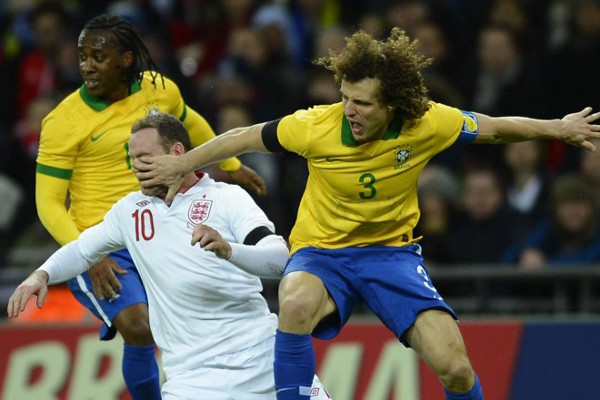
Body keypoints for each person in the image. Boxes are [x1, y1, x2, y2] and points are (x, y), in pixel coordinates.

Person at [132, 28, 600, 400]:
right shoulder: (316, 125)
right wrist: (182, 162)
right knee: (293, 305)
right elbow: (243, 137)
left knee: (456, 369)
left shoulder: (426, 122)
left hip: (391, 256)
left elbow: (495, 129)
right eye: (345, 97)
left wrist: (558, 128)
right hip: (322, 253)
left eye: (362, 103)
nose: (349, 110)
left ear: (392, 103)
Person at [9, 112, 329, 400]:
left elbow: (278, 258)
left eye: (145, 157)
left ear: (177, 153)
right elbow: (81, 250)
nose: (135, 166)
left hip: (262, 361)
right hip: (191, 380)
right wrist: (42, 275)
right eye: (132, 158)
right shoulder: (130, 212)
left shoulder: (228, 198)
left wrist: (230, 250)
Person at [35, 14, 266, 400]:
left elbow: (192, 125)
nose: (87, 66)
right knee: (139, 327)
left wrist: (231, 166)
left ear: (126, 59)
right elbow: (48, 203)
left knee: (183, 318)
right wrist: (87, 254)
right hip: (100, 240)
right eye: (82, 57)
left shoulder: (159, 89)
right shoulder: (62, 122)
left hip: (158, 228)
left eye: (98, 56)